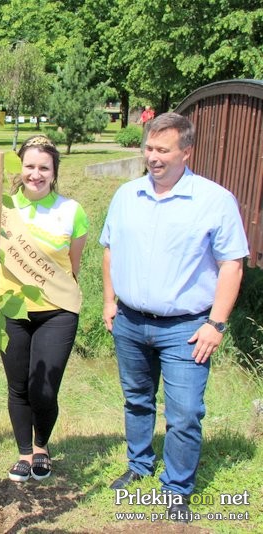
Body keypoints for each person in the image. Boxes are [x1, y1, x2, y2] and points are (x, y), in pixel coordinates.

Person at [101, 112, 248, 521]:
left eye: (163, 150)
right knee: (136, 399)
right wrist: (109, 301)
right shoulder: (127, 195)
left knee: (183, 411)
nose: (153, 157)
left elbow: (232, 265)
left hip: (187, 328)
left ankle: (177, 487)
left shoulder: (215, 200)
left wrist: (215, 324)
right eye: (149, 148)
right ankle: (139, 464)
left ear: (187, 151)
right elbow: (109, 249)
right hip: (130, 321)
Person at [0, 135, 88, 482]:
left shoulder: (71, 211)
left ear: (54, 172)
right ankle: (24, 452)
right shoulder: (2, 207)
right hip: (12, 310)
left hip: (58, 311)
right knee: (18, 386)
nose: (36, 174)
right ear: (20, 169)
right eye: (30, 166)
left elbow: (73, 267)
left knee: (44, 388)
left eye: (44, 168)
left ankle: (41, 445)